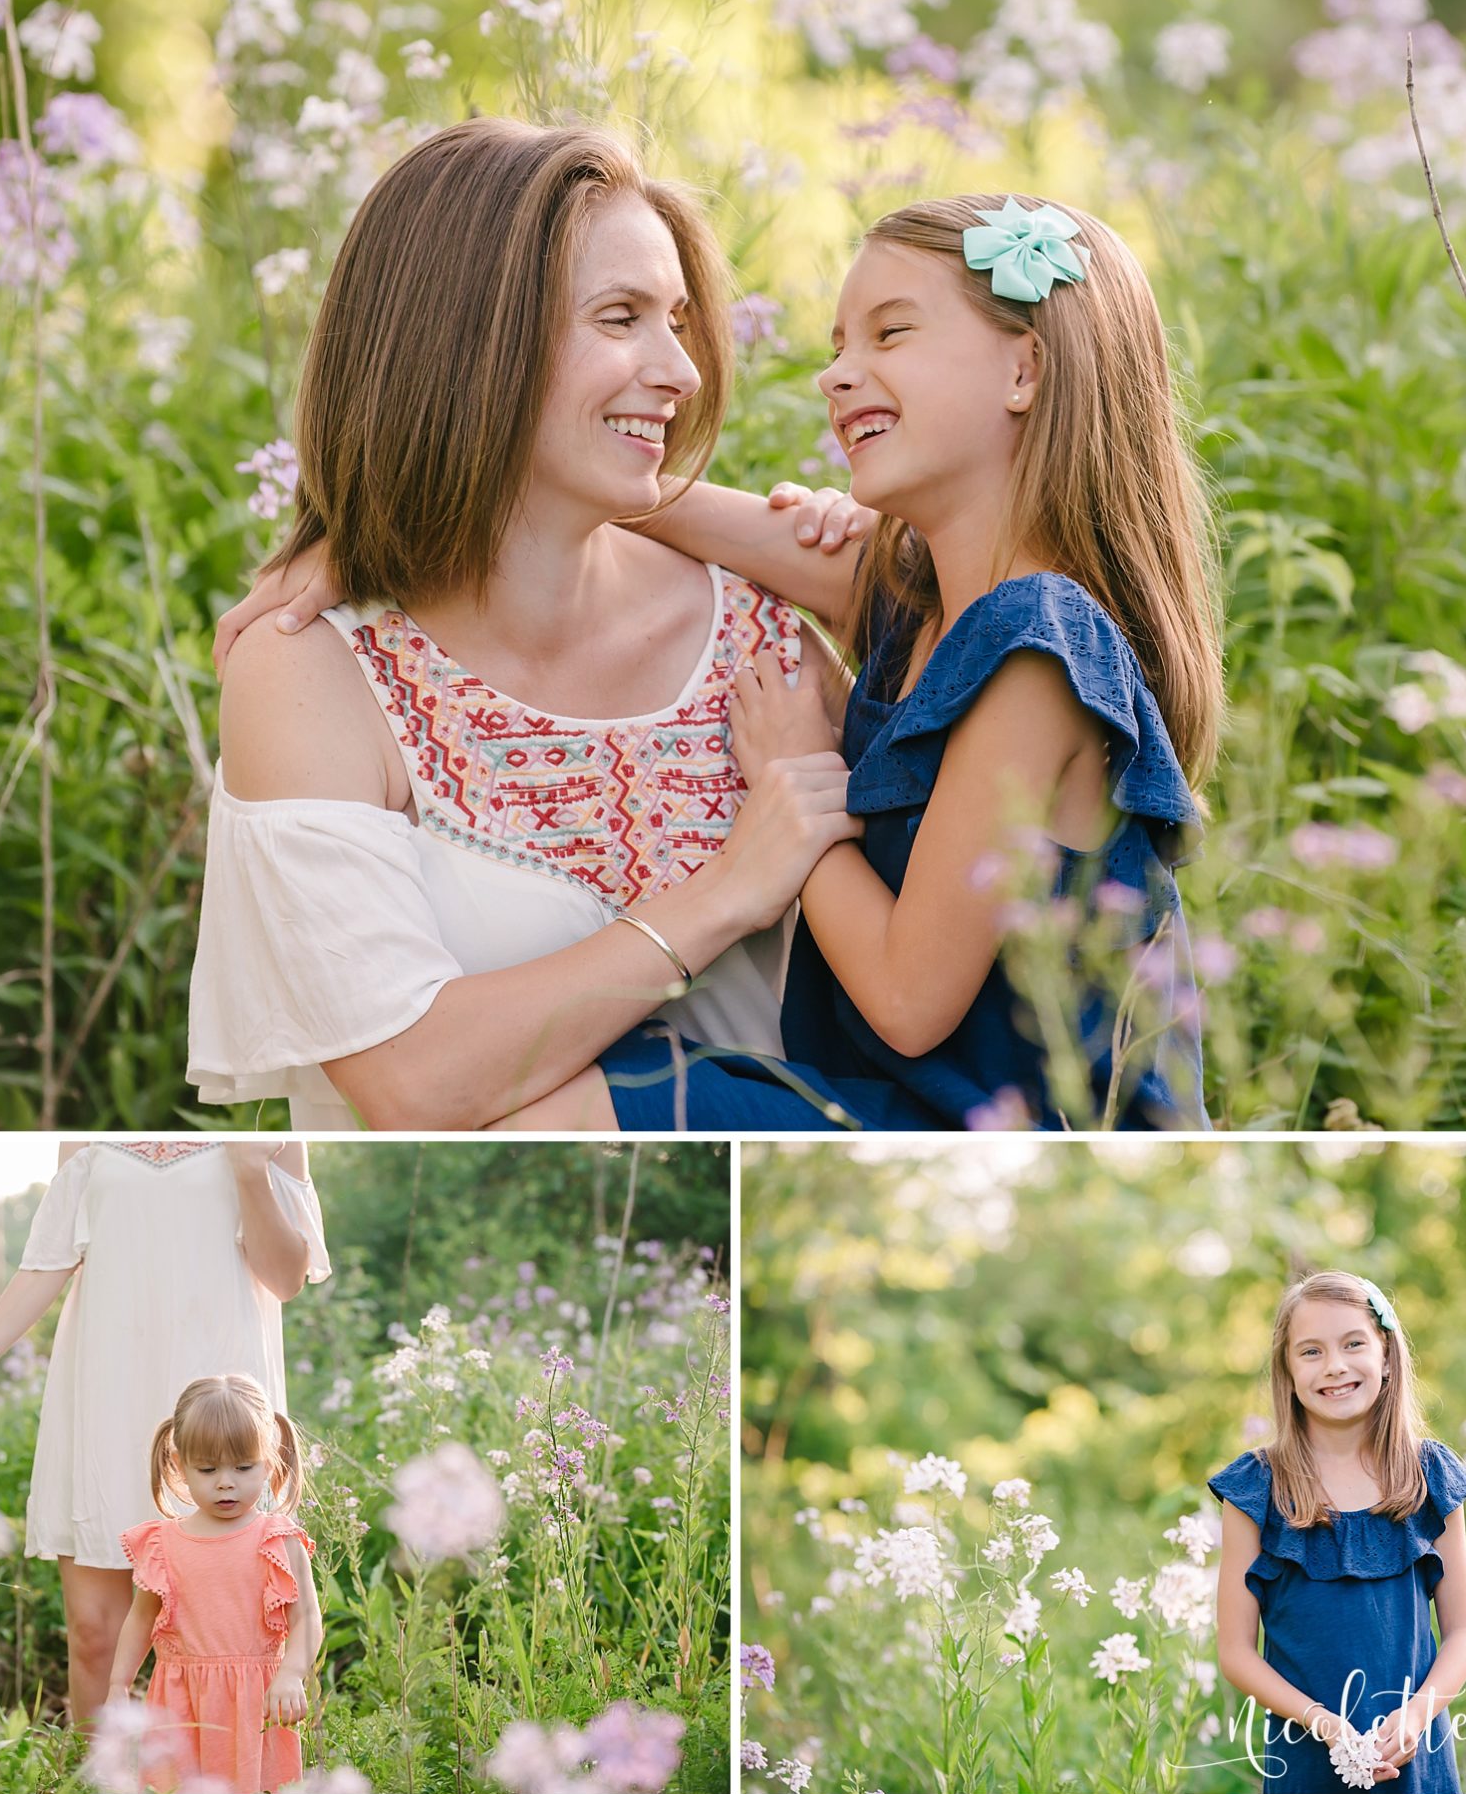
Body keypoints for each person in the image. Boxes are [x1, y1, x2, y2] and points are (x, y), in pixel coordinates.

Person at [234, 190, 1223, 1128]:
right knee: (576, 1093)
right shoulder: (924, 609)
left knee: (568, 1100)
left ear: (1023, 371)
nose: (835, 374)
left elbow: (910, 1004)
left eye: (890, 333)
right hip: (894, 1097)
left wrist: (792, 794)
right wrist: (390, 510)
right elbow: (661, 501)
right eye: (839, 345)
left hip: (992, 1119)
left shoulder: (1037, 649)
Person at [193, 116, 867, 1131]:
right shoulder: (313, 673)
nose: (679, 371)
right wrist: (730, 886)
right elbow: (412, 1084)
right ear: (468, 344)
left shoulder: (762, 640)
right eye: (619, 317)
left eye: (677, 321)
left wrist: (675, 505)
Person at [0, 1140, 328, 1726]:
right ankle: (101, 1780)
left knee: (236, 1634)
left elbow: (287, 1277)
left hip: (222, 1406)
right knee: (95, 1634)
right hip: (106, 1393)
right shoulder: (85, 1139)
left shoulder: (270, 1129)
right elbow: (47, 1262)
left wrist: (250, 1173)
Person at [1207, 1271, 1466, 1794]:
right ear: (1286, 1371)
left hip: (1414, 1758)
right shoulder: (1256, 1488)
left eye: (1353, 1343)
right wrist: (1327, 1726)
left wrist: (1417, 1716)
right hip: (1306, 1761)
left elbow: (1464, 1633)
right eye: (1310, 1352)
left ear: (1385, 1355)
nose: (1334, 1366)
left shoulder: (1428, 1476)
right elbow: (1236, 1652)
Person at [111, 1374, 320, 1794]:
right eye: (208, 1469)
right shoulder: (163, 1544)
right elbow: (140, 1620)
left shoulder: (276, 1539)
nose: (226, 1481)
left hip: (255, 1703)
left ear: (269, 1461)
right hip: (178, 1703)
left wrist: (291, 1674)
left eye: (243, 1467)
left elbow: (307, 1618)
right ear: (179, 1465)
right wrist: (118, 1683)